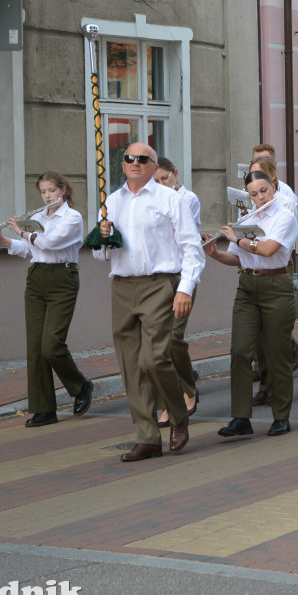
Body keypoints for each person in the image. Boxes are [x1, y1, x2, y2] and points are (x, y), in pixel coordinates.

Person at [95, 142, 204, 462]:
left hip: (160, 284)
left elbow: (191, 247)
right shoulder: (112, 201)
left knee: (155, 357)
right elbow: (100, 254)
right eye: (129, 158)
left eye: (143, 159)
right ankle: (147, 437)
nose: (135, 163)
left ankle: (179, 413)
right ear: (123, 163)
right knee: (130, 365)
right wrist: (102, 237)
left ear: (155, 167)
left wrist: (185, 288)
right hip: (122, 285)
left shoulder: (170, 199)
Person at [0, 172, 93, 427]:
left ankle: (81, 386)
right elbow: (31, 249)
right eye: (43, 192)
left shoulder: (72, 217)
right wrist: (4, 239)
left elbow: (50, 243)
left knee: (52, 344)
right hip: (36, 279)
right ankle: (44, 409)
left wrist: (22, 232)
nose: (47, 196)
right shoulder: (36, 218)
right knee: (35, 348)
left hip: (63, 278)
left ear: (63, 191)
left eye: (52, 191)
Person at [205, 170, 298, 438]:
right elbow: (237, 258)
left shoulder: (284, 217)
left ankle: (281, 416)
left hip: (276, 286)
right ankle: (240, 417)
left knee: (276, 354)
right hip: (247, 287)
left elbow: (268, 249)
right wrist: (214, 253)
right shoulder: (245, 218)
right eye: (254, 193)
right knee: (240, 351)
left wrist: (238, 239)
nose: (259, 198)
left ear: (274, 188)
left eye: (264, 192)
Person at [247, 154, 298, 404]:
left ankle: (276, 386)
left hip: (277, 263)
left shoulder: (284, 200)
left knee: (274, 334)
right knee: (258, 335)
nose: (258, 195)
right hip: (253, 267)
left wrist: (244, 240)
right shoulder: (253, 202)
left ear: (271, 178)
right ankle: (265, 383)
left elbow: (272, 242)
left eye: (261, 179)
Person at [153, 157, 201, 428]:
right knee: (158, 345)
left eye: (165, 179)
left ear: (175, 174)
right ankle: (169, 401)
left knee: (174, 338)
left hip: (184, 277)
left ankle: (189, 389)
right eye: (156, 180)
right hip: (158, 278)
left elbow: (181, 234)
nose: (161, 184)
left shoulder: (187, 198)